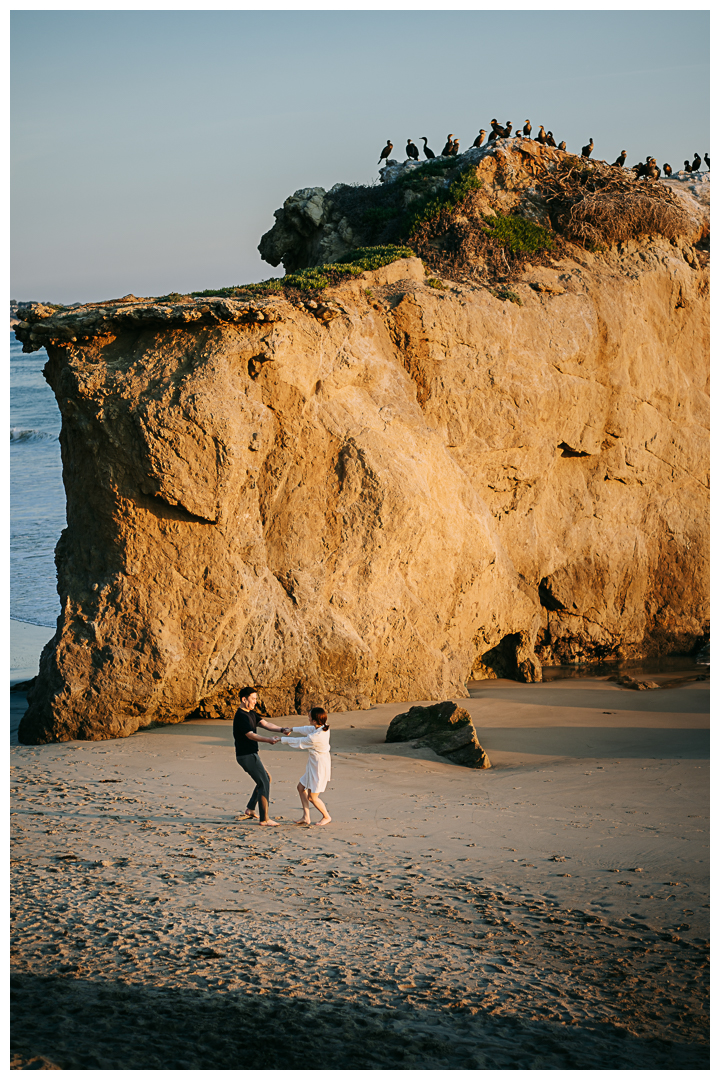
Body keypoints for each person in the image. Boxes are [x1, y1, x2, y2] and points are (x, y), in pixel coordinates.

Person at [233, 687, 291, 826]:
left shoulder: (251, 713)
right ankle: (264, 819)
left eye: (256, 699)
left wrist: (281, 729)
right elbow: (250, 735)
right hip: (246, 756)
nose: (255, 702)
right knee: (264, 782)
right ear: (244, 699)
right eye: (253, 699)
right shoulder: (241, 716)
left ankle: (250, 809)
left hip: (251, 754)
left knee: (266, 778)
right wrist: (268, 740)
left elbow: (265, 724)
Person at [280, 707, 332, 826]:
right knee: (300, 787)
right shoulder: (322, 727)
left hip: (319, 767)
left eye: (309, 717)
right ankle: (306, 816)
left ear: (315, 720)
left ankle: (326, 816)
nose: (308, 719)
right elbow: (307, 729)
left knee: (312, 797)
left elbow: (300, 742)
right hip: (313, 764)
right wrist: (291, 729)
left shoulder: (316, 737)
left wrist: (281, 739)